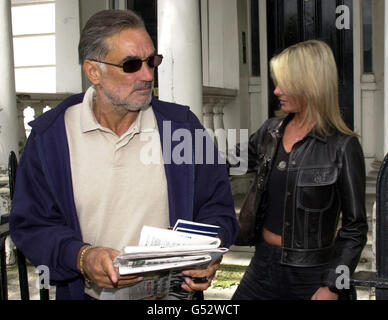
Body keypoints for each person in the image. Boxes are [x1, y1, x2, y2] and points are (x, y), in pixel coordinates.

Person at [9, 9, 238, 300]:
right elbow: (31, 225)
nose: (147, 75)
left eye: (152, 61)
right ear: (93, 71)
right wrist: (81, 257)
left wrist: (205, 253)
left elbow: (218, 209)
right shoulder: (51, 138)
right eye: (131, 65)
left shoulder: (181, 128)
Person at [231, 40, 368, 300]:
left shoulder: (343, 146)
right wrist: (178, 146)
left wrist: (333, 285)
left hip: (312, 276)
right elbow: (226, 159)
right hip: (262, 267)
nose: (276, 90)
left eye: (285, 84)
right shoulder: (270, 132)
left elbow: (355, 228)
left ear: (310, 85)